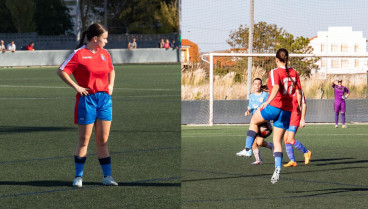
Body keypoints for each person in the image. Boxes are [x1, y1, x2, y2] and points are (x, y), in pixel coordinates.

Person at [57, 23, 118, 187]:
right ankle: (78, 177)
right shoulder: (78, 54)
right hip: (87, 100)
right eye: (105, 38)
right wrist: (76, 87)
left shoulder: (105, 54)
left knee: (103, 140)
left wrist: (111, 85)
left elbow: (111, 70)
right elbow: (61, 70)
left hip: (104, 100)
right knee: (84, 140)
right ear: (95, 38)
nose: (107, 42)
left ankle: (107, 177)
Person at [239, 48, 302, 184]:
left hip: (274, 106)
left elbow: (276, 88)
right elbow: (299, 92)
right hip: (287, 110)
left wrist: (267, 102)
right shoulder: (295, 73)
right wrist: (298, 106)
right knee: (277, 141)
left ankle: (248, 149)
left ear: (276, 59)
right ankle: (277, 169)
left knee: (254, 121)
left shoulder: (274, 72)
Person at [236, 78, 273, 165]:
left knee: (259, 142)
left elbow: (269, 105)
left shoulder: (265, 95)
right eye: (255, 84)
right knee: (256, 142)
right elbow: (250, 106)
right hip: (256, 122)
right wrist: (248, 111)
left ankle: (271, 146)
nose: (257, 85)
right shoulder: (251, 96)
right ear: (253, 85)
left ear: (261, 85)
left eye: (259, 84)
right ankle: (258, 160)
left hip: (264, 123)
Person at [283, 90, 312, 167]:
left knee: (290, 139)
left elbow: (304, 105)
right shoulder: (286, 90)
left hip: (295, 116)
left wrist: (302, 119)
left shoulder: (299, 91)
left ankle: (306, 152)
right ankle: (292, 161)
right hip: (287, 116)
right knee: (286, 139)